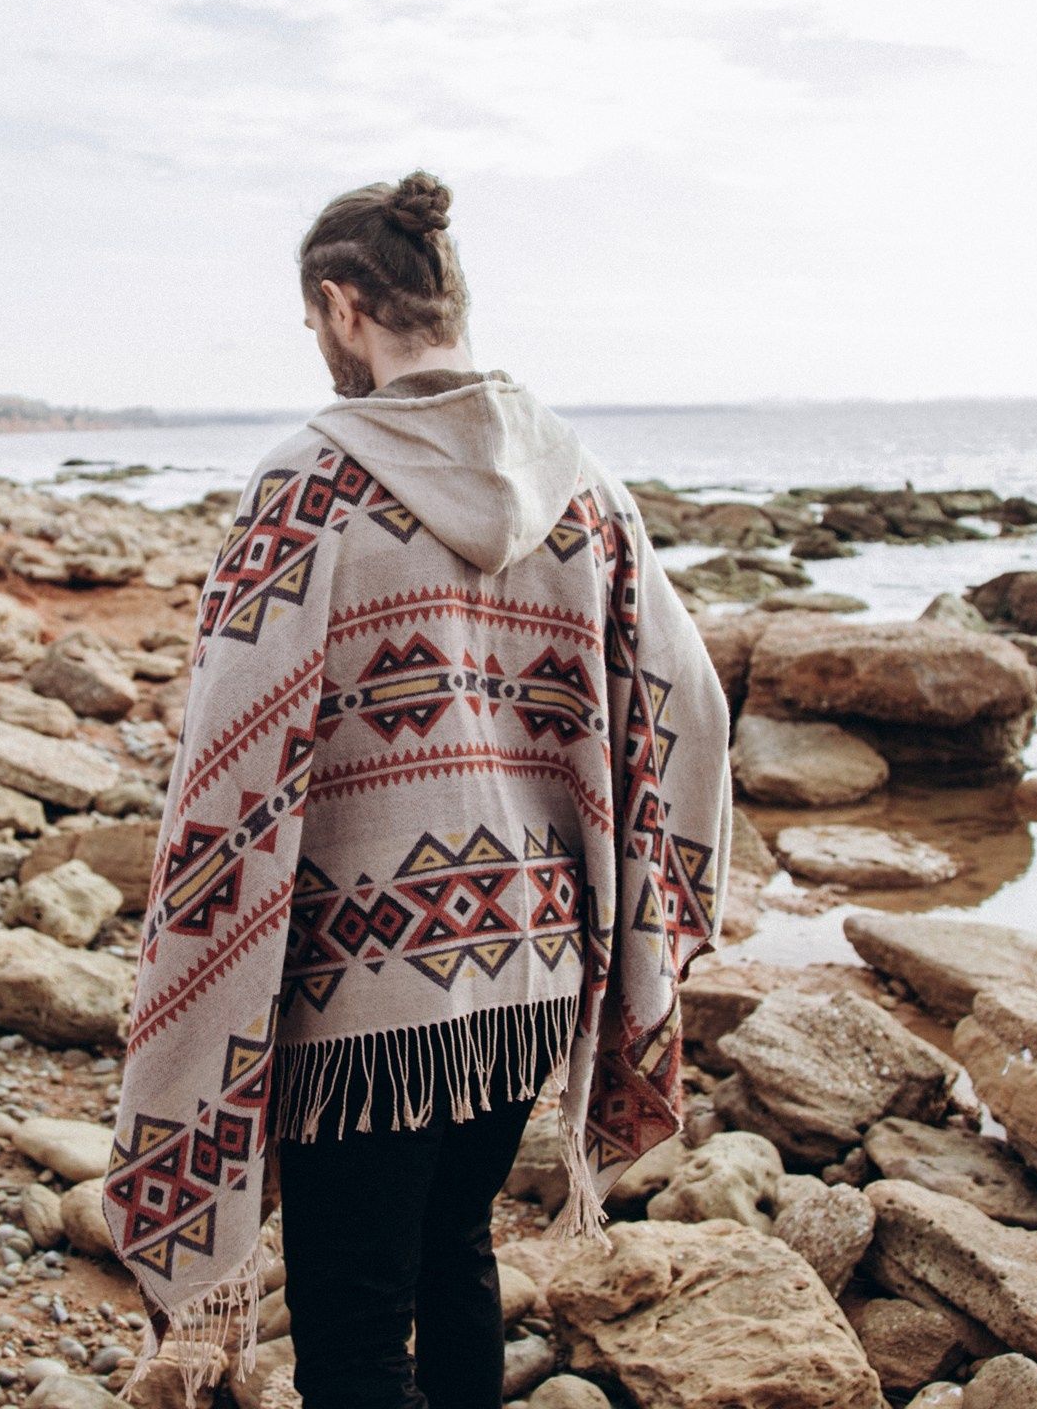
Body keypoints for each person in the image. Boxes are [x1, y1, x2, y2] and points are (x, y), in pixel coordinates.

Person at [104, 173, 731, 1409]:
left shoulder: (311, 484)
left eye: (312, 325)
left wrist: (210, 940)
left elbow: (230, 740)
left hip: (364, 983)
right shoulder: (582, 488)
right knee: (458, 1251)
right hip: (538, 962)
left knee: (348, 1323)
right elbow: (691, 704)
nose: (321, 351)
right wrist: (653, 890)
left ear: (344, 305)